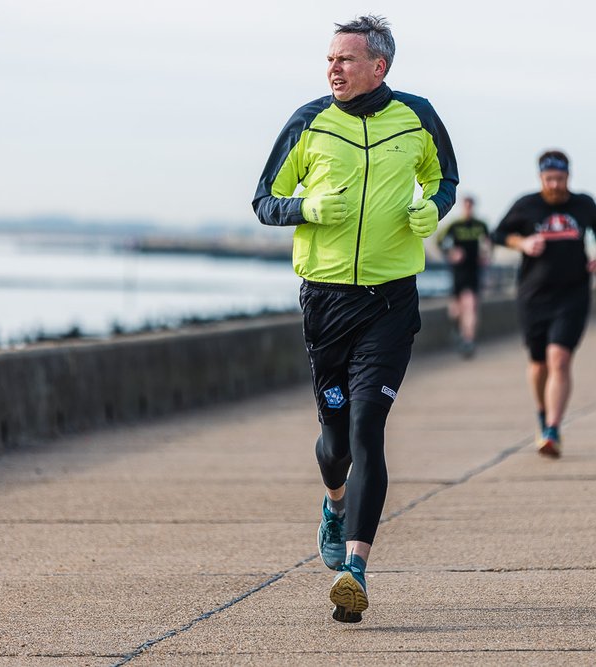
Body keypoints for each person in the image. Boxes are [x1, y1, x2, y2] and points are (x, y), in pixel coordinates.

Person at [252, 15, 458, 623]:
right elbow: (263, 199)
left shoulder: (417, 116)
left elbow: (444, 179)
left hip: (391, 301)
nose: (333, 69)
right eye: (330, 60)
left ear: (379, 66)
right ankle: (334, 504)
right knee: (335, 444)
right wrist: (305, 207)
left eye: (345, 59)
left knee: (370, 426)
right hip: (326, 302)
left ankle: (356, 570)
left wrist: (434, 211)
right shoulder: (309, 121)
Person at [491, 150, 596, 458]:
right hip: (533, 296)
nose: (555, 185)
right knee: (538, 363)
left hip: (573, 293)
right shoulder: (526, 205)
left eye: (560, 178)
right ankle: (543, 414)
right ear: (540, 178)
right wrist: (523, 243)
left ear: (569, 177)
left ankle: (553, 429)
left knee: (559, 358)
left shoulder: (583, 203)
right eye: (549, 179)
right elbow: (498, 233)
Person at [436, 196, 491, 357]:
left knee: (471, 304)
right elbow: (439, 241)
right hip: (457, 271)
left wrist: (486, 256)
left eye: (470, 206)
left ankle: (469, 341)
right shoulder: (454, 225)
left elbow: (489, 244)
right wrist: (450, 253)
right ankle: (456, 330)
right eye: (466, 206)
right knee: (455, 309)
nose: (468, 209)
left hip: (474, 271)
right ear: (462, 207)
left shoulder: (481, 226)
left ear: (473, 207)